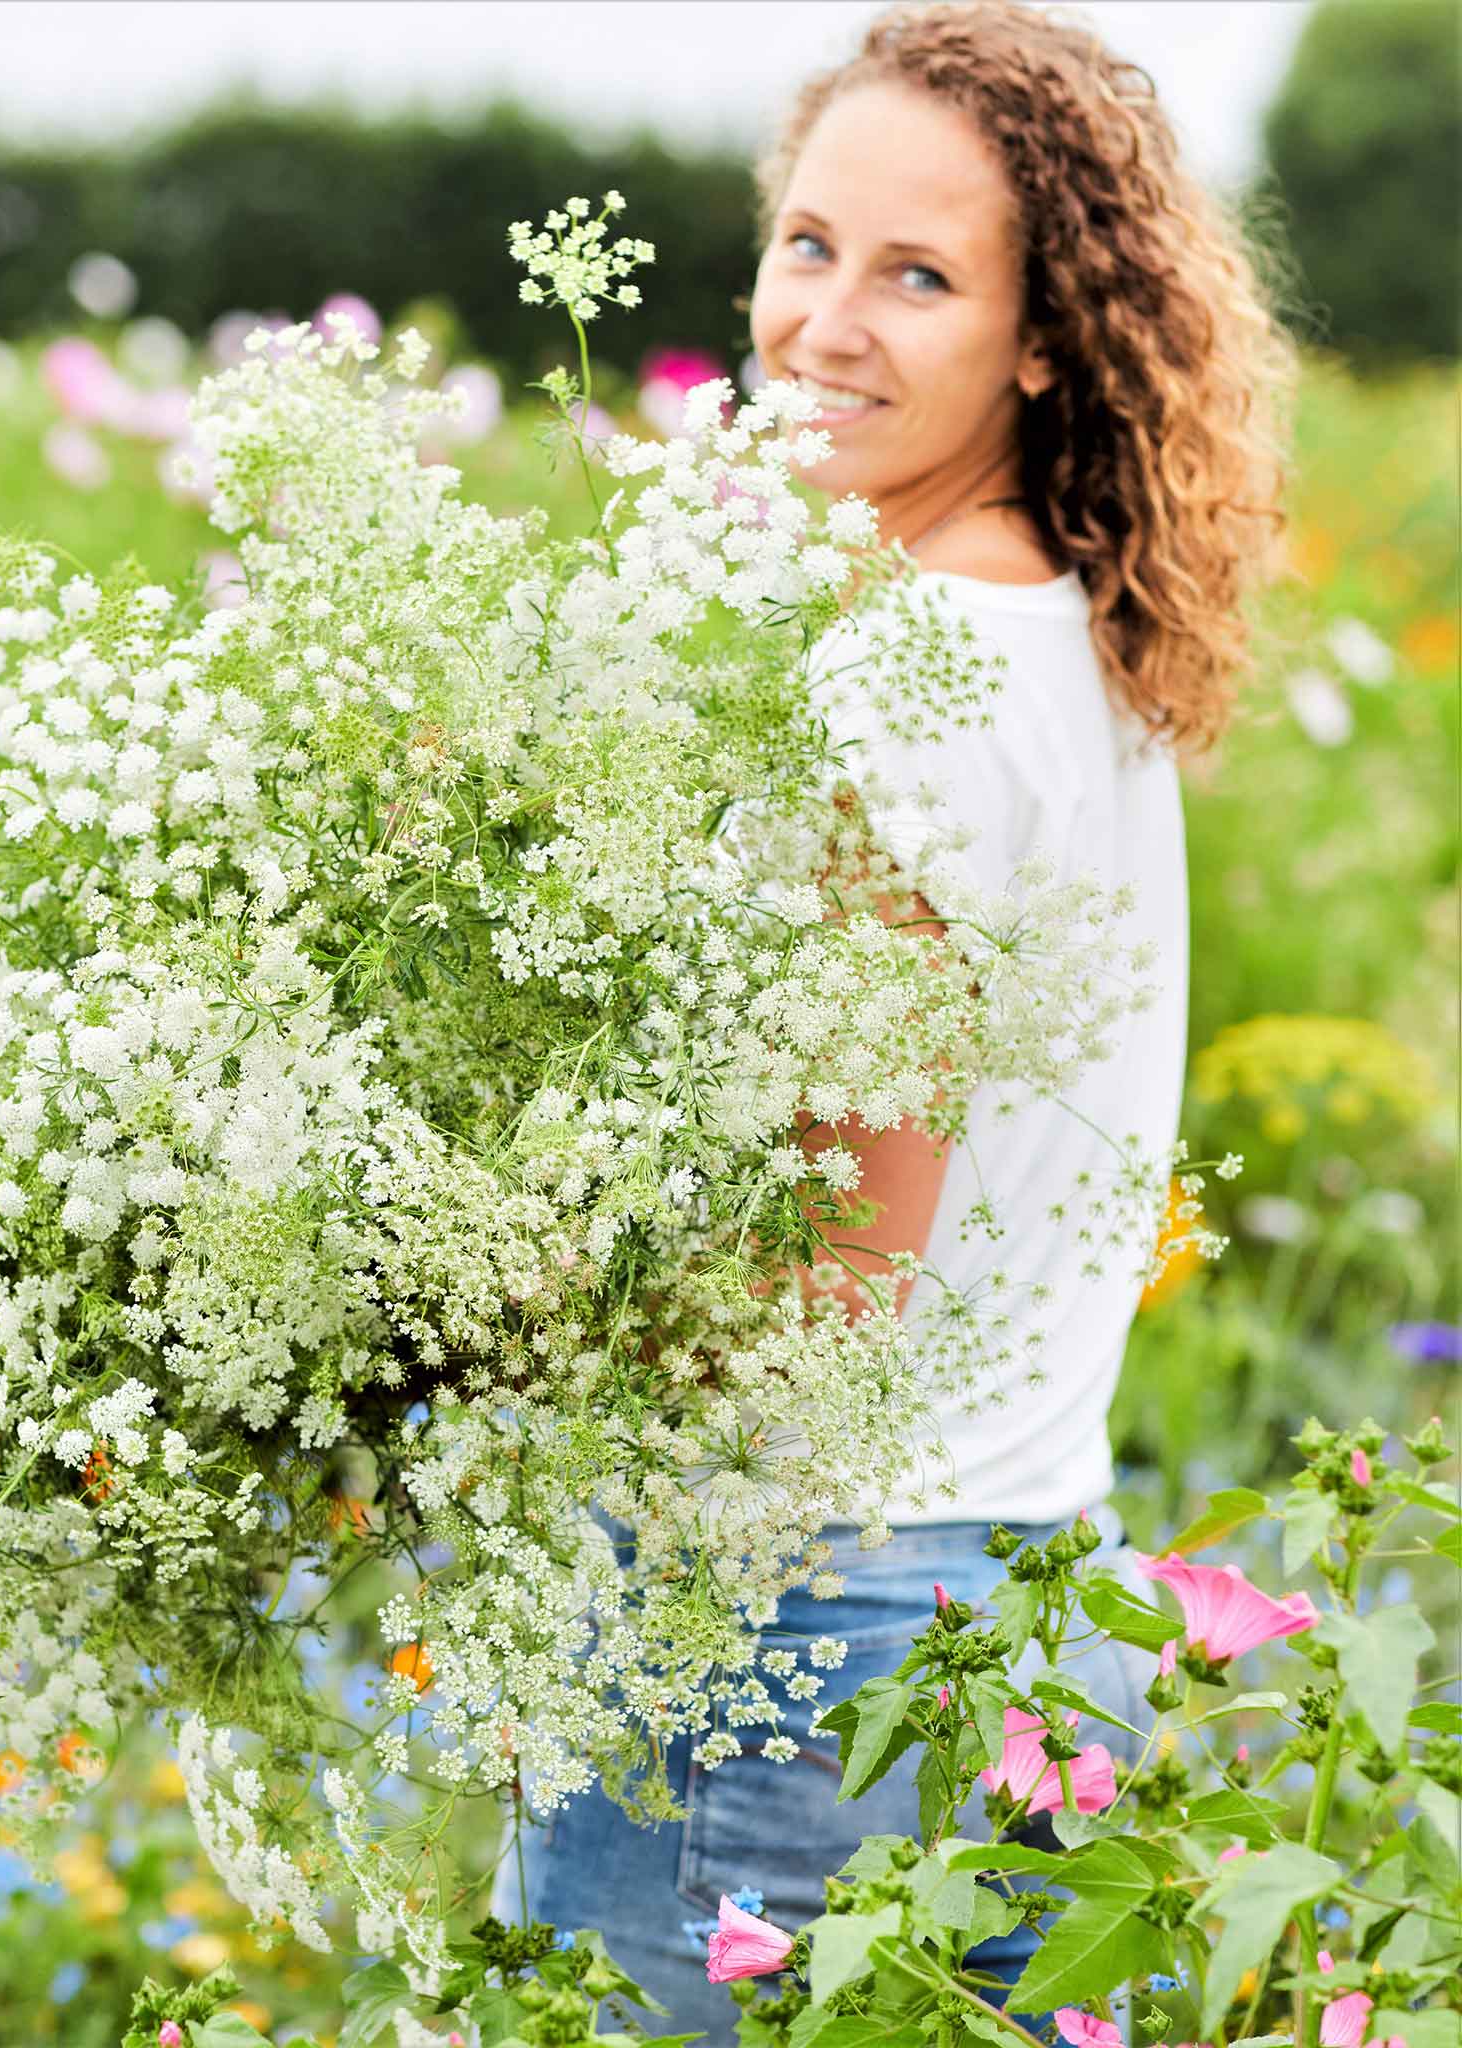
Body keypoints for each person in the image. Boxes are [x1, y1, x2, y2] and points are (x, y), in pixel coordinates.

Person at [493, 3, 1297, 2035]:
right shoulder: (1050, 621)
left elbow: (823, 1291)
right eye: (807, 244)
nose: (824, 324)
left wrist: (449, 1304)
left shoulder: (892, 684)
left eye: (918, 275)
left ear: (1039, 338)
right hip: (1016, 1604)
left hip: (795, 1650)